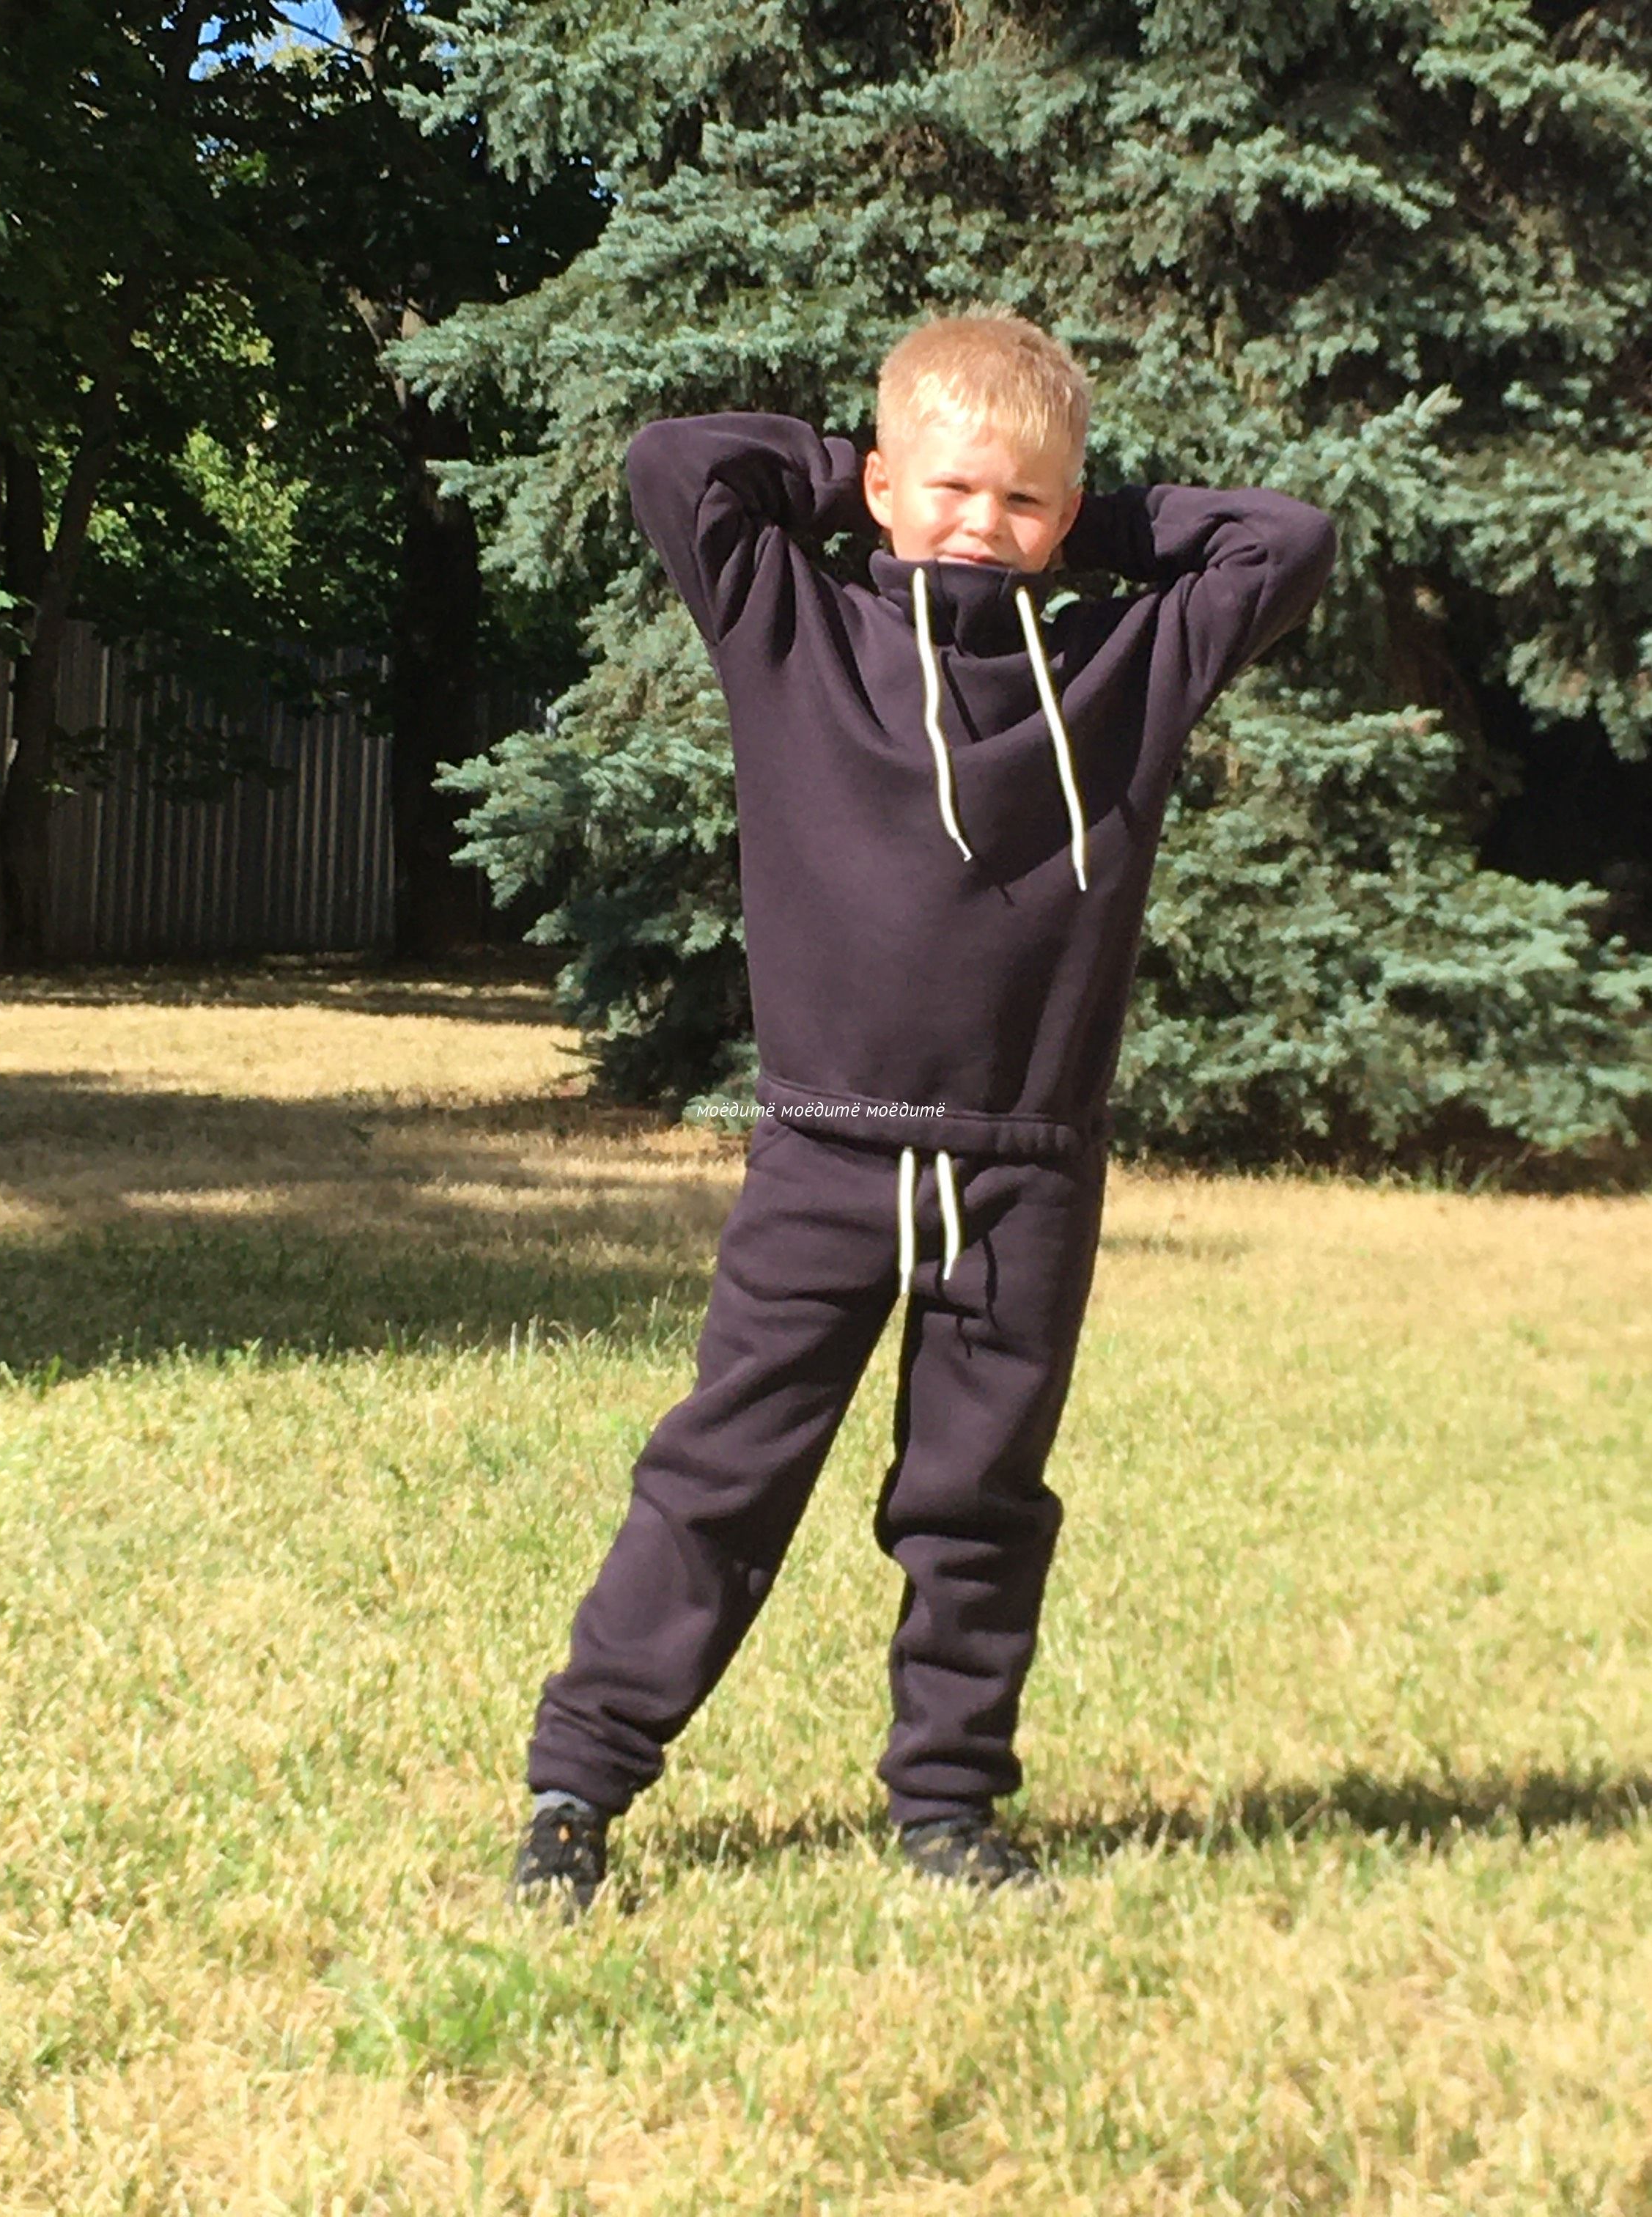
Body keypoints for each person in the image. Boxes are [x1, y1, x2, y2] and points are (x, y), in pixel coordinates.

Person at [513, 309, 1336, 1916]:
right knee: (722, 1476)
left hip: (1028, 1171)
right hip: (825, 1151)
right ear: (885, 487)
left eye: (1023, 501)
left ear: (1065, 514)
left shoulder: (1127, 660)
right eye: (951, 488)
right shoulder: (790, 622)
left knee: (978, 1505)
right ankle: (577, 1787)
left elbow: (1285, 542)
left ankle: (949, 1810)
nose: (984, 523)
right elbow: (676, 465)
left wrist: (1090, 524)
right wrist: (862, 479)